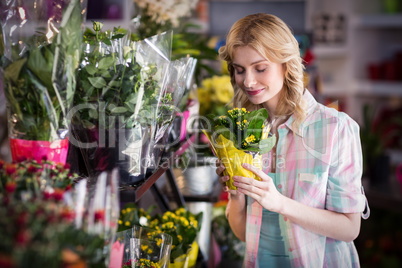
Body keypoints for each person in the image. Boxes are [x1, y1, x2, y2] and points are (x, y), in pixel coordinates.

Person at [215, 13, 369, 267]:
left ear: (286, 64)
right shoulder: (242, 131)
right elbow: (246, 234)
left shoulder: (336, 128)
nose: (248, 81)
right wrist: (235, 193)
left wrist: (279, 203)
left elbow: (350, 228)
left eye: (260, 68)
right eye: (240, 70)